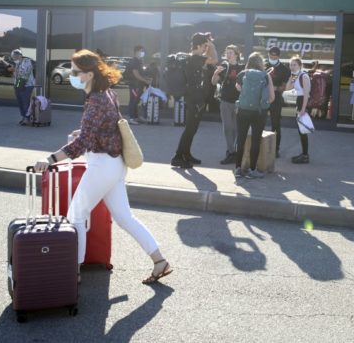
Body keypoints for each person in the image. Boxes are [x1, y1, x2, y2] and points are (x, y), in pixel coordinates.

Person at [33, 49, 172, 285]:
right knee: (125, 218)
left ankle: (73, 271)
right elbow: (104, 129)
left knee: (76, 215)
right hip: (115, 164)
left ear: (88, 74)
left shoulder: (96, 100)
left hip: (102, 165)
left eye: (75, 71)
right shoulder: (106, 94)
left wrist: (50, 160)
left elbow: (84, 142)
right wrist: (85, 133)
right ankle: (159, 261)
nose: (71, 75)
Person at [170, 32, 218, 168]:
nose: (205, 48)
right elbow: (214, 59)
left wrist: (207, 44)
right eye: (204, 46)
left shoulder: (196, 58)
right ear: (198, 45)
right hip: (194, 98)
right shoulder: (194, 58)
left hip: (196, 97)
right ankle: (178, 156)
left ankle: (186, 154)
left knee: (193, 128)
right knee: (190, 128)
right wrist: (212, 45)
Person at [233, 52, 275, 178]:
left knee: (241, 139)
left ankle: (238, 168)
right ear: (261, 63)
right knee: (256, 140)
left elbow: (239, 89)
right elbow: (272, 97)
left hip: (243, 110)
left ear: (249, 62)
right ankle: (252, 170)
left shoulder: (242, 74)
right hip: (258, 112)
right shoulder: (266, 76)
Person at [212, 45, 244, 164]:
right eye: (227, 52)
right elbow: (213, 82)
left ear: (236, 54)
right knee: (227, 127)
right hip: (225, 101)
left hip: (238, 102)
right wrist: (215, 73)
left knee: (236, 128)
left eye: (231, 52)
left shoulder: (242, 67)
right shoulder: (224, 66)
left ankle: (233, 150)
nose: (228, 54)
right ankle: (231, 152)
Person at [285, 56, 311, 164]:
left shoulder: (304, 76)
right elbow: (287, 88)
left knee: (303, 131)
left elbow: (306, 94)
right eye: (291, 64)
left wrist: (303, 109)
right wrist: (291, 77)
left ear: (300, 65)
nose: (292, 66)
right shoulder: (295, 76)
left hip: (303, 103)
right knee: (301, 131)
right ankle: (304, 154)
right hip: (299, 102)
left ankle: (305, 155)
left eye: (294, 64)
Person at [265, 46, 291, 157]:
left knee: (276, 125)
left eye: (274, 56)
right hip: (264, 99)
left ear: (278, 56)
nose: (272, 58)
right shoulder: (264, 65)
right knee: (259, 123)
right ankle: (261, 147)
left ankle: (275, 150)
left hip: (276, 99)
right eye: (271, 56)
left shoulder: (284, 69)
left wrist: (274, 88)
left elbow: (283, 87)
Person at [124, 45, 152, 125]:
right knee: (133, 100)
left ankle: (136, 117)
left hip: (138, 85)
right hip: (134, 85)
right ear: (137, 52)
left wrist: (146, 79)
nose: (143, 53)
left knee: (136, 100)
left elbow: (140, 73)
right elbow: (136, 74)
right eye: (141, 51)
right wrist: (145, 81)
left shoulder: (139, 61)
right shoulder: (134, 61)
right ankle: (132, 118)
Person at [8, 49, 36, 125]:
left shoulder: (26, 61)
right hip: (19, 83)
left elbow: (24, 73)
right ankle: (23, 117)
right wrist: (13, 70)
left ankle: (27, 118)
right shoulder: (17, 63)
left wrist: (14, 70)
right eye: (13, 57)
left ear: (20, 56)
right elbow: (16, 75)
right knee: (20, 101)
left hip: (27, 84)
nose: (14, 58)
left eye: (15, 56)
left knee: (25, 101)